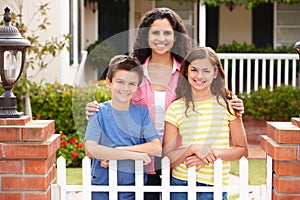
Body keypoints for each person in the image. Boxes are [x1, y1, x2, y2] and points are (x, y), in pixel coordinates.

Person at [85, 7, 245, 200]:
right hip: (142, 160)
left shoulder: (187, 73)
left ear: (176, 36)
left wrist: (232, 103)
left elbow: (208, 95)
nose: (162, 38)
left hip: (179, 162)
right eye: (155, 32)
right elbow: (119, 98)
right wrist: (96, 108)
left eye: (168, 32)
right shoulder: (135, 71)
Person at [162, 46, 249, 200]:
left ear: (215, 73)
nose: (199, 76)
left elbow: (242, 150)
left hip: (214, 186)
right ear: (186, 71)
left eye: (206, 70)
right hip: (181, 184)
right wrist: (193, 148)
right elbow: (167, 157)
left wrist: (211, 153)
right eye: (194, 69)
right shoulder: (176, 107)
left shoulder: (228, 105)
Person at [84, 55, 162, 200]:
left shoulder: (141, 113)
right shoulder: (98, 112)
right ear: (109, 82)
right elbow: (90, 150)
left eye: (132, 84)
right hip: (102, 187)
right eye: (120, 82)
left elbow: (156, 147)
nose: (125, 88)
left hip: (134, 187)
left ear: (138, 86)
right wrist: (134, 155)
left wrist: (116, 151)